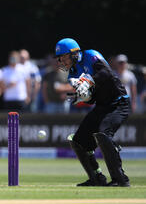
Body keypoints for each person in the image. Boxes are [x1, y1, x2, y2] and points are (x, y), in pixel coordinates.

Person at [55, 38, 130, 187]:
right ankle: (96, 178)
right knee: (78, 140)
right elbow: (90, 100)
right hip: (102, 106)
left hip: (118, 103)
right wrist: (83, 96)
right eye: (60, 58)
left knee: (103, 134)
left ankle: (120, 179)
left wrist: (89, 81)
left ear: (74, 53)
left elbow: (106, 73)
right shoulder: (73, 73)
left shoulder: (91, 55)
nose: (62, 61)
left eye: (64, 56)